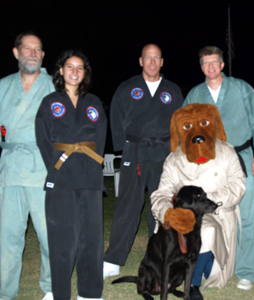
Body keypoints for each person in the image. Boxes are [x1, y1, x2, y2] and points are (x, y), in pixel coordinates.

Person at [183, 46, 254, 290]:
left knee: (248, 214)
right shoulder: (194, 94)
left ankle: (247, 270)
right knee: (211, 213)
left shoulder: (242, 89)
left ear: (222, 65)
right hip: (207, 162)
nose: (211, 66)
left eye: (215, 62)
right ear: (201, 67)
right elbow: (185, 130)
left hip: (241, 156)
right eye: (206, 63)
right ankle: (213, 266)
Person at [103, 44, 184, 278]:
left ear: (162, 62)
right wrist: (123, 147)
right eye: (147, 57)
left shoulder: (173, 90)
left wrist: (176, 152)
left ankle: (160, 256)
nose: (151, 62)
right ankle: (113, 260)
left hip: (162, 153)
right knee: (127, 206)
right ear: (140, 61)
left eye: (156, 58)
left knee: (160, 207)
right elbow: (115, 117)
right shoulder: (127, 88)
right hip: (135, 153)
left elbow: (180, 122)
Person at [151, 103, 246, 300]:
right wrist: (169, 213)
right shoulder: (174, 160)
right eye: (187, 127)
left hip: (219, 213)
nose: (197, 132)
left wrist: (207, 201)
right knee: (201, 228)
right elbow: (161, 194)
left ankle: (204, 269)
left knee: (209, 232)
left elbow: (238, 185)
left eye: (203, 123)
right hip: (185, 222)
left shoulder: (227, 152)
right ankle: (193, 283)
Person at [35, 50, 107, 300]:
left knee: (91, 238)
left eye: (80, 68)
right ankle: (61, 293)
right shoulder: (49, 102)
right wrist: (57, 166)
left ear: (85, 73)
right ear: (60, 70)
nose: (75, 72)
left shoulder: (94, 102)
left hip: (90, 177)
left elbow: (100, 138)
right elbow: (43, 140)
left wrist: (91, 167)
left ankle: (90, 293)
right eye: (70, 67)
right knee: (62, 240)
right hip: (62, 177)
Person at [0, 32, 54, 300]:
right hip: (9, 169)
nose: (32, 53)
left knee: (49, 234)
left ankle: (51, 287)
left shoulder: (54, 86)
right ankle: (4, 292)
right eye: (27, 49)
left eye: (37, 49)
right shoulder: (2, 86)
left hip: (43, 168)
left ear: (43, 55)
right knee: (7, 237)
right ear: (16, 53)